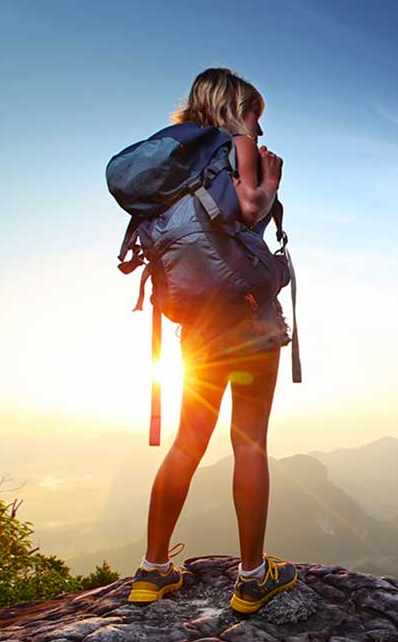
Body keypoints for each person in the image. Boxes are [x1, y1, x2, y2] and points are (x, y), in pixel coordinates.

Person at [127, 68, 299, 612]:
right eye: (256, 117)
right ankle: (252, 578)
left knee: (188, 441)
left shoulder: (172, 162)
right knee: (248, 441)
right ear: (236, 108)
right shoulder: (237, 144)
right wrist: (270, 184)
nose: (260, 132)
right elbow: (250, 210)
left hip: (197, 325)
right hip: (248, 322)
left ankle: (152, 572)